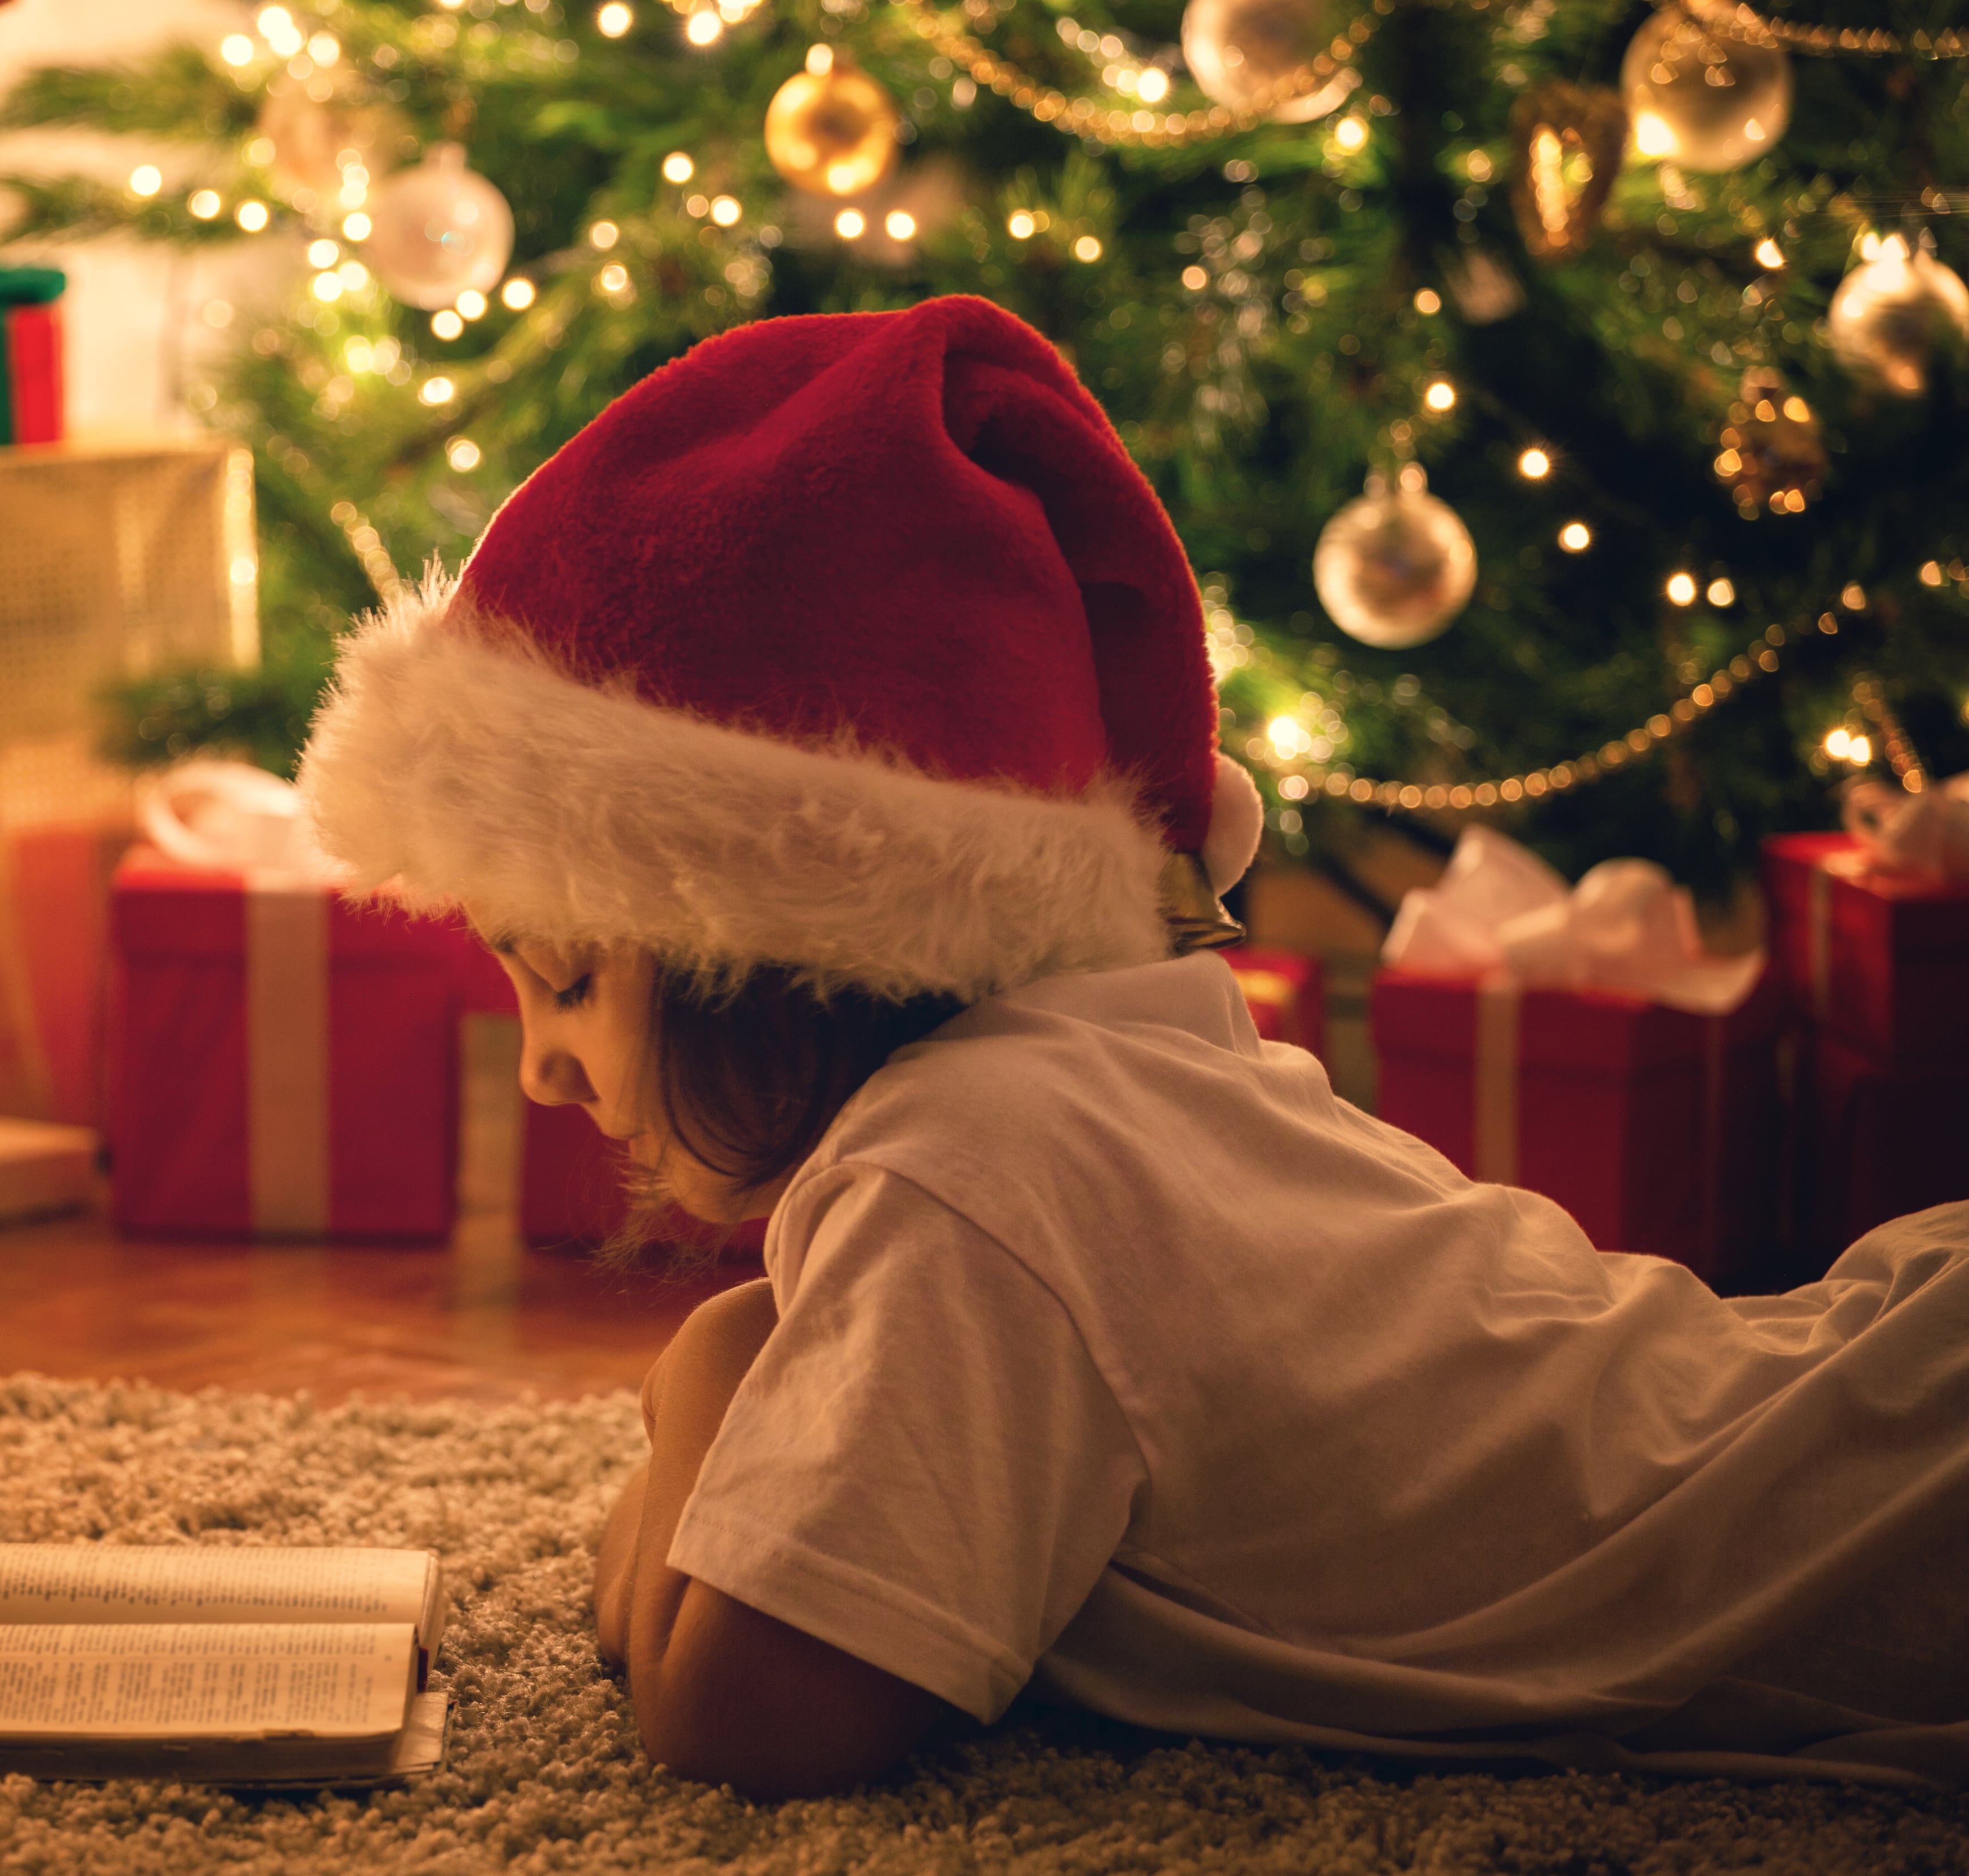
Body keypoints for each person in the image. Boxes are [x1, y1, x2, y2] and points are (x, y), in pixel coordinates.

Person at [296, 296, 1969, 1799]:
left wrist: (717, 1375)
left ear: (779, 945)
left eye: (569, 978)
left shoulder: (968, 1175)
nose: (543, 1067)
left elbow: (743, 1713)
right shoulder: (1118, 1067)